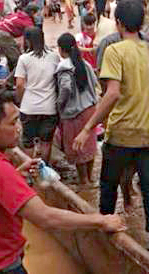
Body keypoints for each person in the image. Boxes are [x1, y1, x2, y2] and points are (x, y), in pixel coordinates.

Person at [0, 89, 125, 274]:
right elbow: (46, 217)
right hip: (1, 267)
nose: (19, 127)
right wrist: (100, 220)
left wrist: (16, 175)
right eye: (13, 122)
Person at [73, 0, 149, 252]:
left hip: (120, 135)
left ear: (118, 23)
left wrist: (87, 128)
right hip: (147, 135)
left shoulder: (114, 50)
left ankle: (106, 240)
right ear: (143, 22)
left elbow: (112, 94)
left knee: (108, 188)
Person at [56, 33, 99, 185]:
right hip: (90, 110)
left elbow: (66, 88)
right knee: (89, 145)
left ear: (61, 49)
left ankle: (83, 181)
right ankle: (91, 178)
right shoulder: (85, 64)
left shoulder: (64, 66)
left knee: (77, 146)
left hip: (74, 113)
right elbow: (95, 84)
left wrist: (59, 104)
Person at [15, 27, 60, 163]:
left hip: (29, 108)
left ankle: (31, 172)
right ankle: (44, 169)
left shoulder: (24, 59)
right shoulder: (54, 56)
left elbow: (19, 85)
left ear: (27, 41)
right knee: (46, 142)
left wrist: (21, 101)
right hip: (49, 107)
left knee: (28, 142)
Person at [0, 6, 34, 72]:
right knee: (18, 60)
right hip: (3, 35)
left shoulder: (17, 15)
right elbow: (32, 36)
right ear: (33, 13)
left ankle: (11, 73)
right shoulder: (27, 21)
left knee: (11, 56)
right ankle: (14, 79)